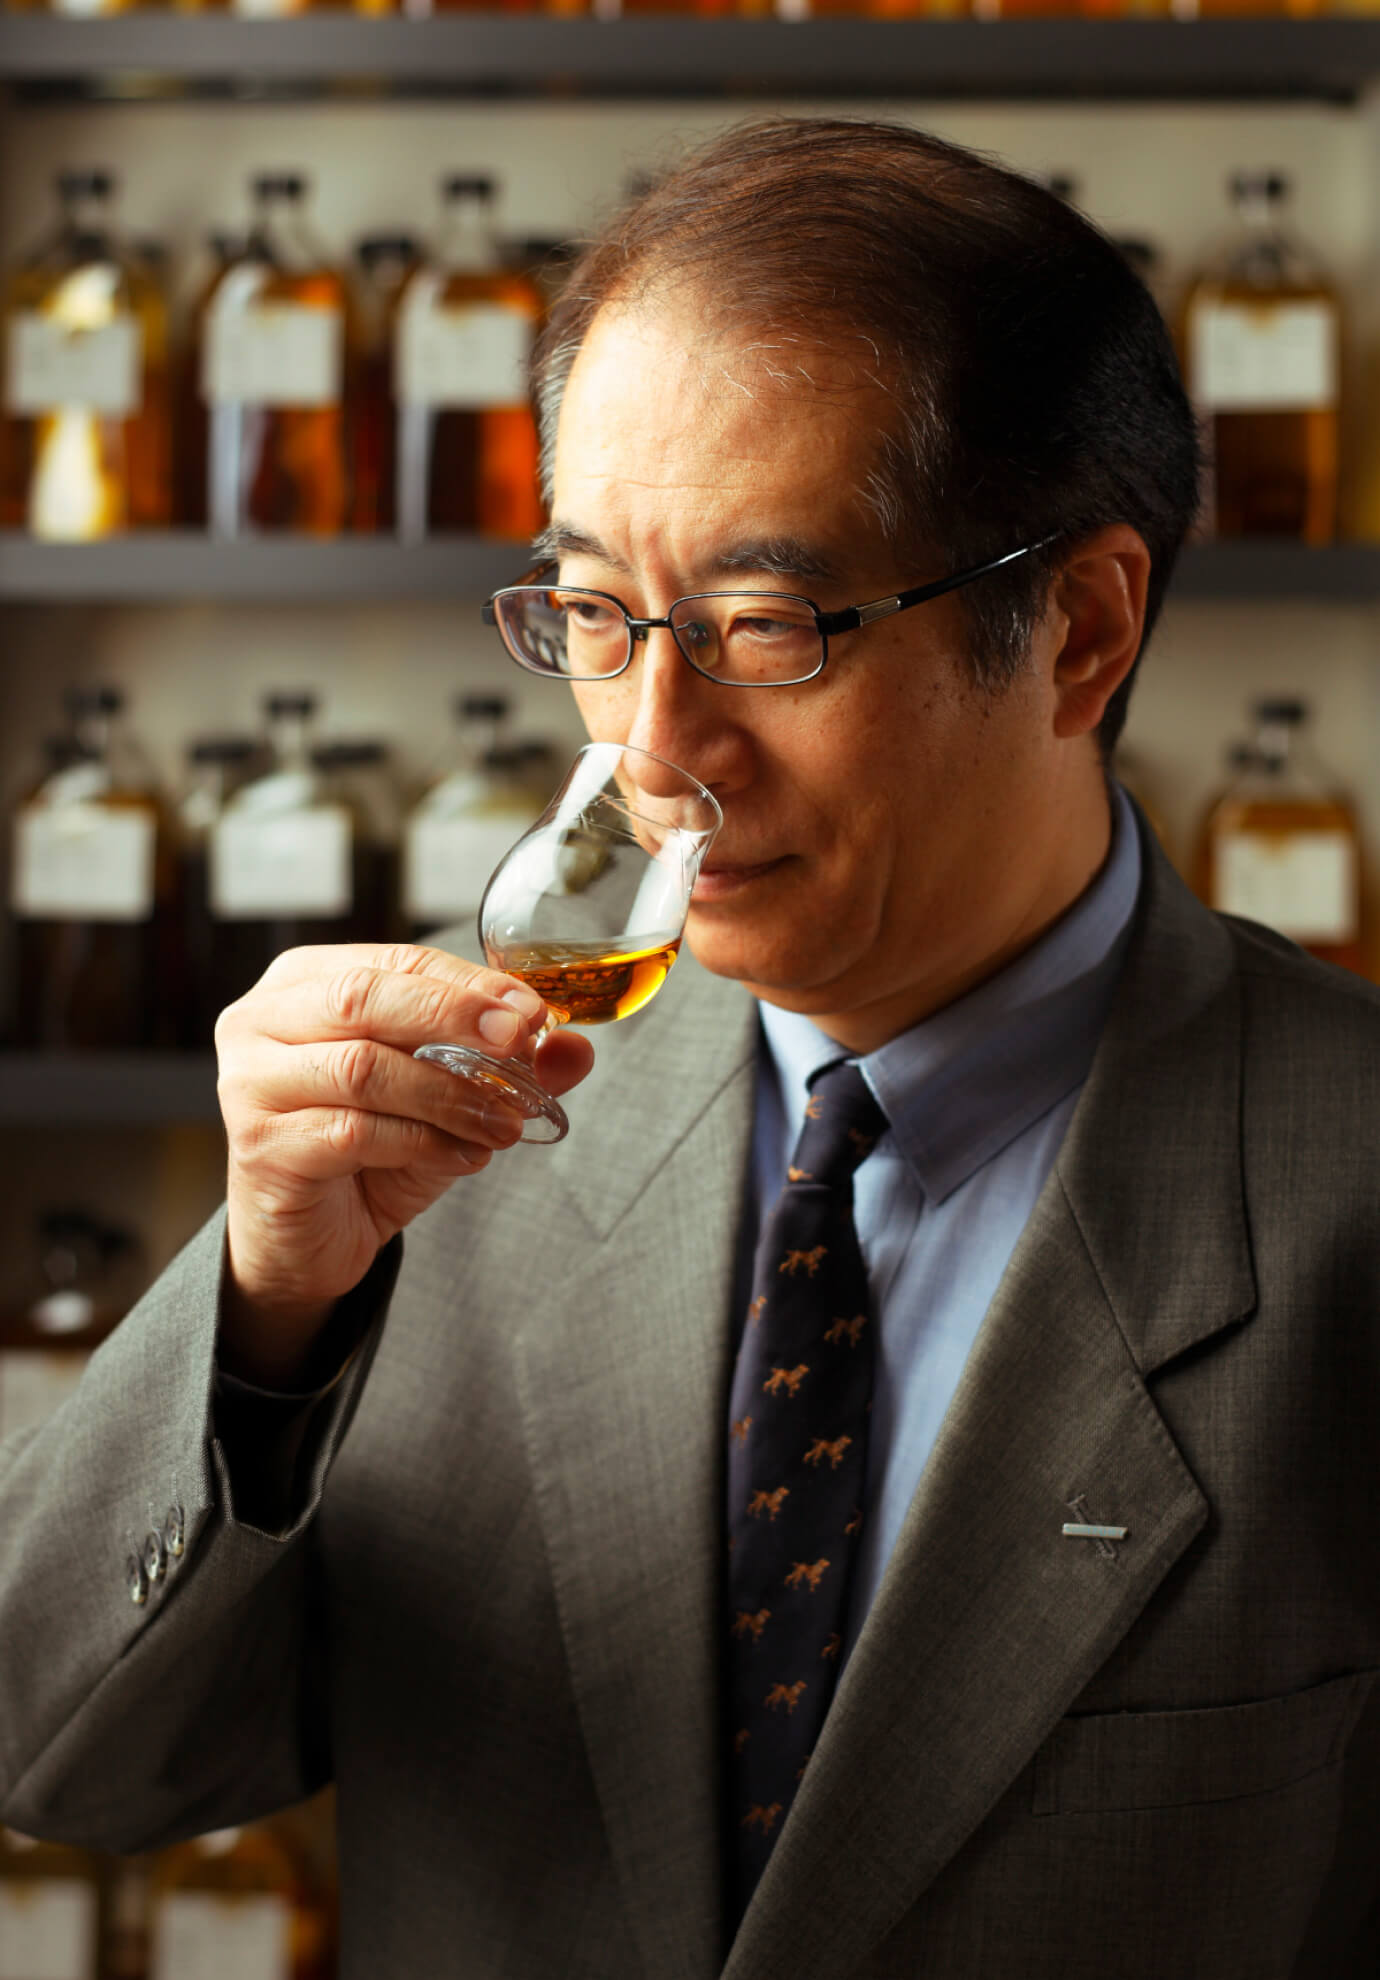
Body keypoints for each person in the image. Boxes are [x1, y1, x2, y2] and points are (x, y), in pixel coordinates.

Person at [2, 117, 1377, 1980]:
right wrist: (260, 1320)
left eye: (764, 627)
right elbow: (69, 1767)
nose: (656, 748)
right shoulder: (428, 1112)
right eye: (590, 614)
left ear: (1078, 629)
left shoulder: (1343, 1180)